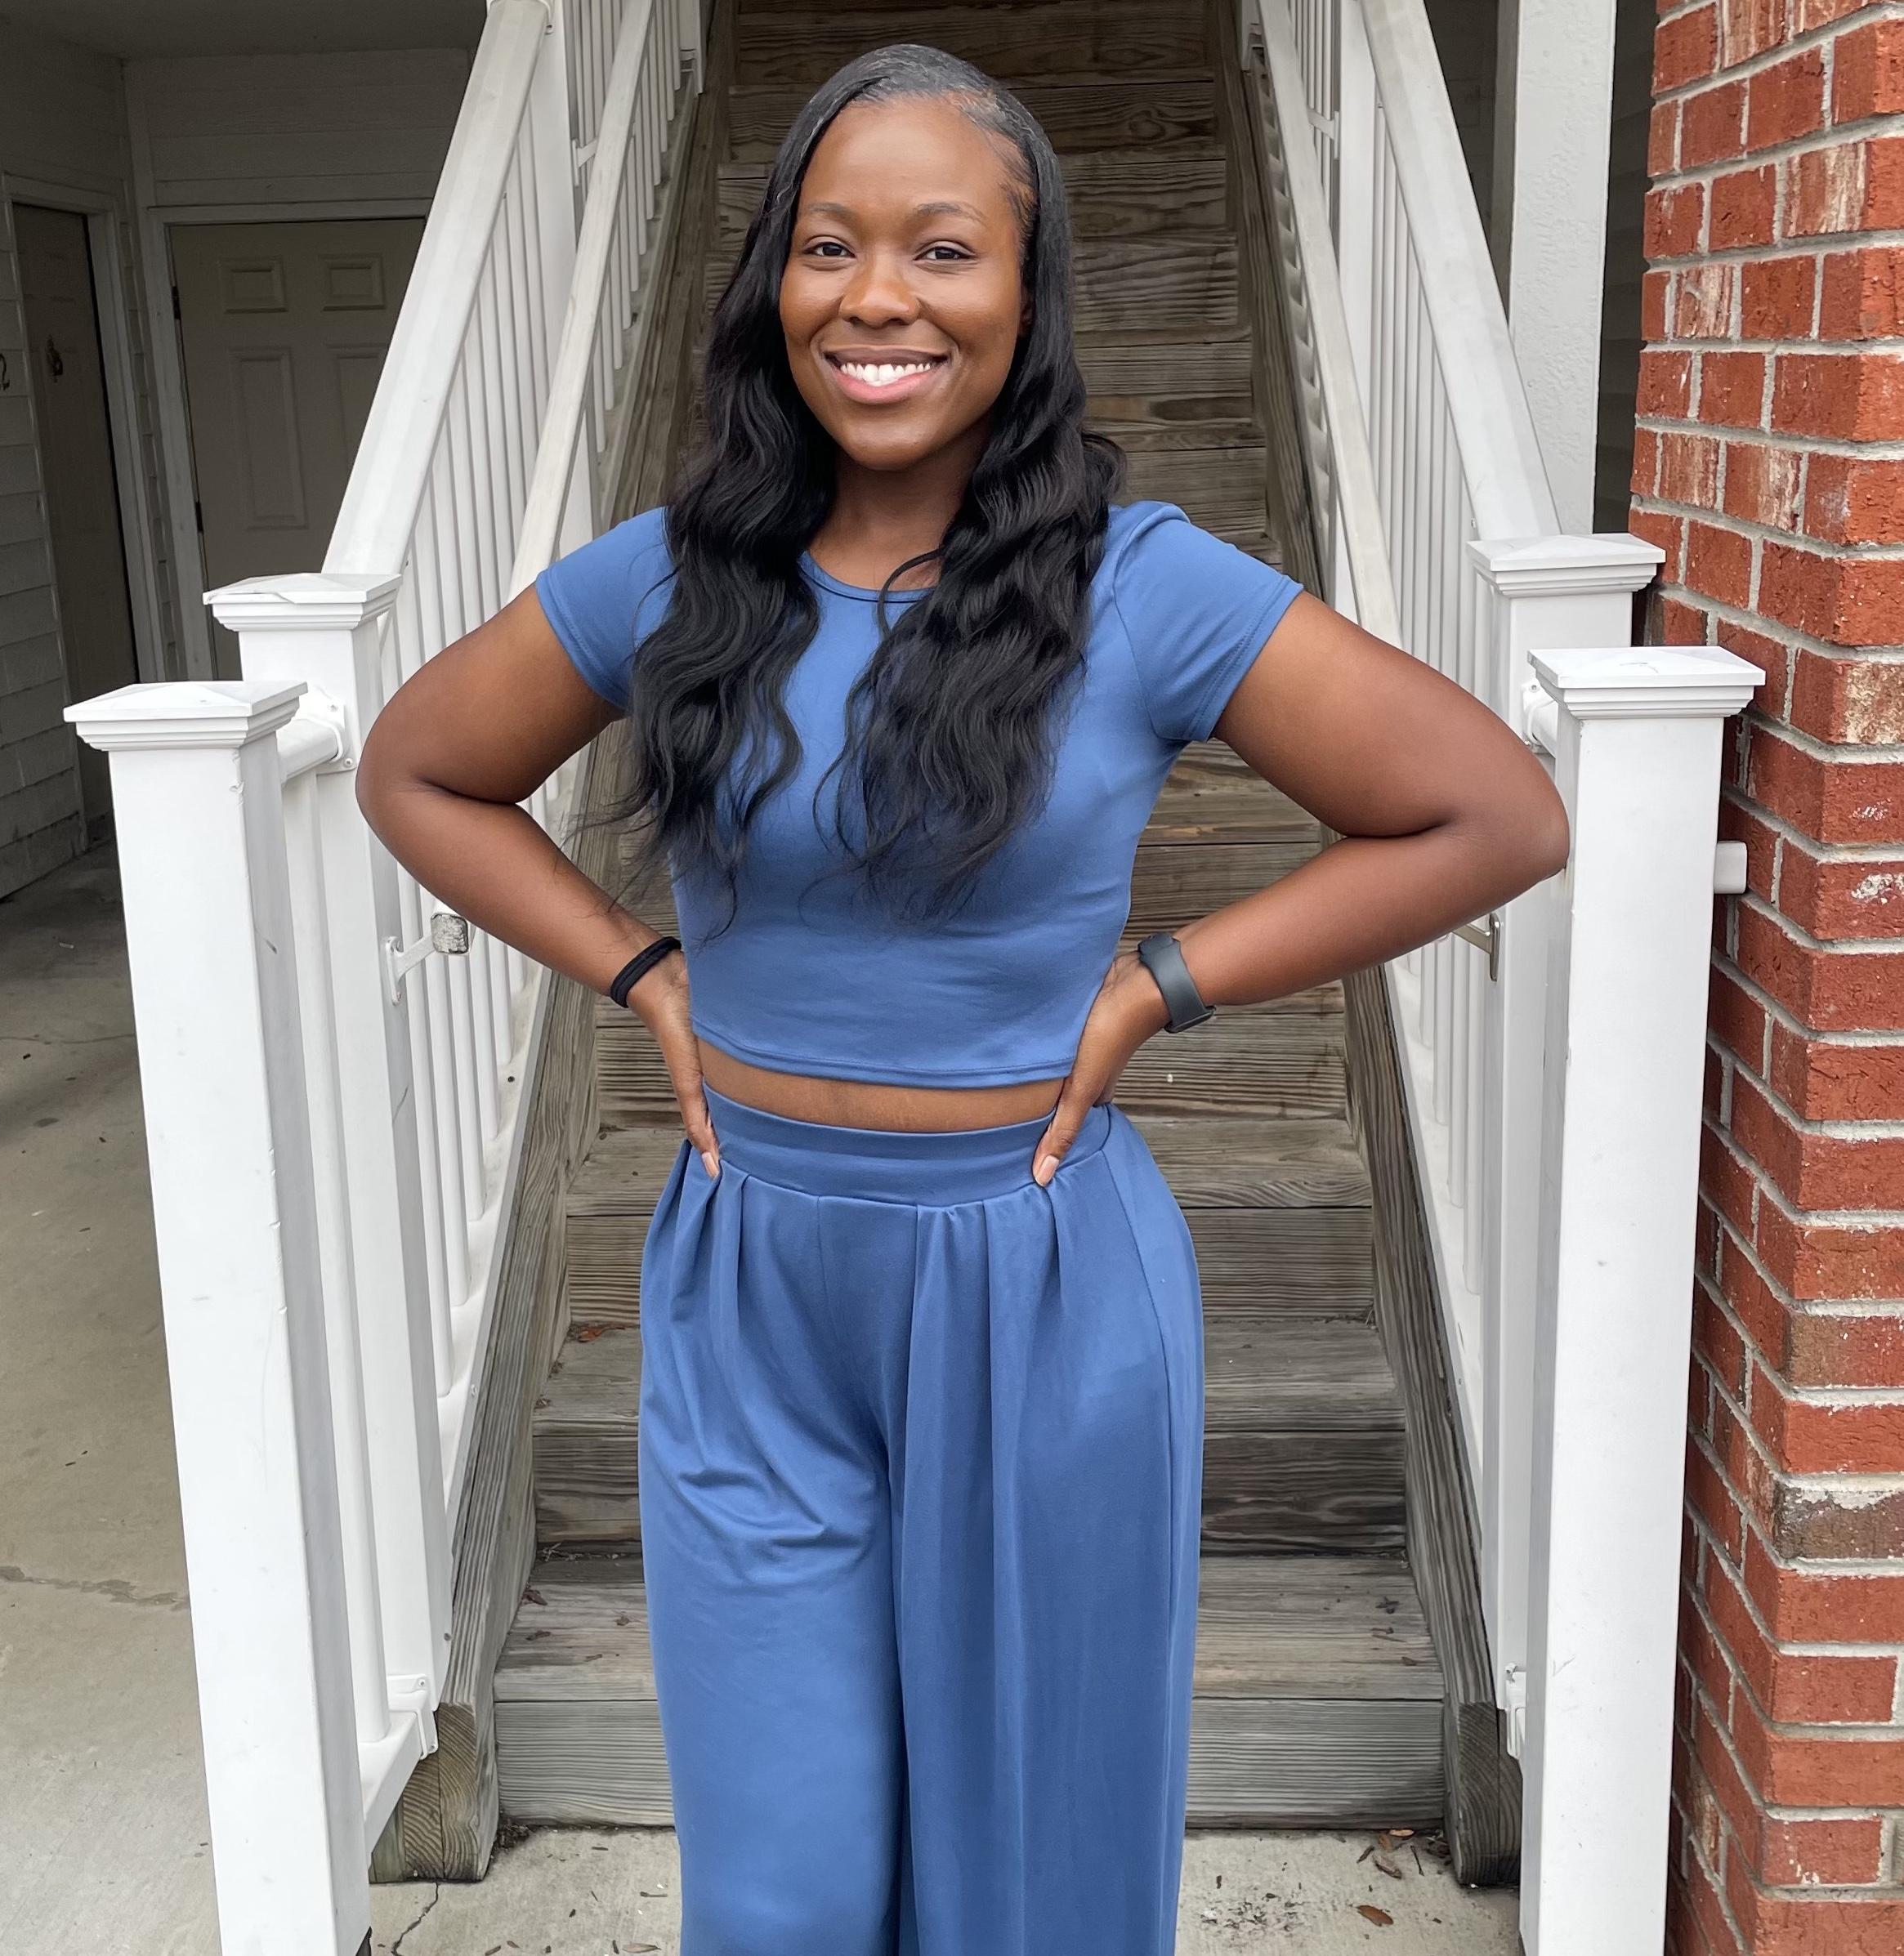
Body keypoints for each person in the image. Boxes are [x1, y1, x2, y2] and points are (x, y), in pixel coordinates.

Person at [355, 40, 1569, 1956]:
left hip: (1039, 1280)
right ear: (775, 281)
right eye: (830, 245)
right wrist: (641, 973)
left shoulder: (1141, 586)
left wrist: (1161, 985)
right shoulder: (678, 578)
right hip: (750, 1286)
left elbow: (1494, 814)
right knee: (781, 1896)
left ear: (1026, 288)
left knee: (1030, 1893)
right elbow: (418, 771)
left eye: (942, 248)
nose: (879, 299)